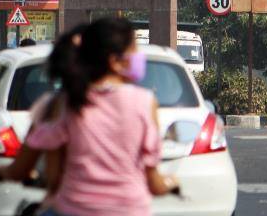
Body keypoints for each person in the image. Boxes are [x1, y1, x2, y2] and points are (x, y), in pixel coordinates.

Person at [22, 17, 177, 216]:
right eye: (134, 50)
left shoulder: (63, 103)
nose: (139, 57)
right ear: (114, 61)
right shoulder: (145, 102)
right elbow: (154, 180)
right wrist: (172, 182)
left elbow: (51, 175)